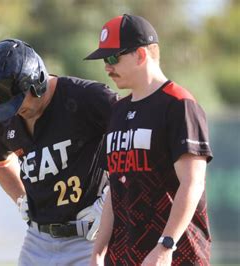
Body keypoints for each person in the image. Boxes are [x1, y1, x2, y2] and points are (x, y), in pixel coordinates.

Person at [84, 14, 213, 265]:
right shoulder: (118, 111)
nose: (107, 67)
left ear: (141, 55)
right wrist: (99, 249)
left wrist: (166, 245)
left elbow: (192, 183)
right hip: (125, 255)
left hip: (175, 255)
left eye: (113, 58)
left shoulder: (179, 105)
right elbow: (115, 187)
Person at [0, 38, 118, 265]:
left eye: (18, 103)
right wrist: (20, 198)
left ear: (37, 81)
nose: (16, 112)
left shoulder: (87, 98)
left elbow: (135, 147)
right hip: (37, 239)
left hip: (91, 236)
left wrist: (111, 202)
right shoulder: (5, 117)